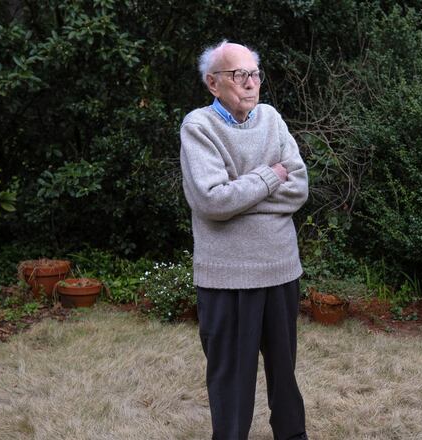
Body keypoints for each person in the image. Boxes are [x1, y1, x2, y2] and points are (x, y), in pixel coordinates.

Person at [179, 39, 309, 440]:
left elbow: (299, 187)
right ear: (213, 83)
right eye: (239, 75)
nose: (250, 83)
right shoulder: (198, 127)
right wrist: (270, 177)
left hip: (281, 270)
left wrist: (243, 193)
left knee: (284, 376)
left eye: (254, 73)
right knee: (231, 382)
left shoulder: (272, 117)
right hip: (228, 279)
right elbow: (212, 200)